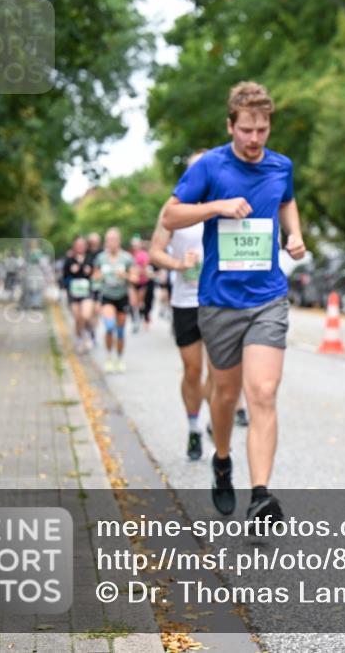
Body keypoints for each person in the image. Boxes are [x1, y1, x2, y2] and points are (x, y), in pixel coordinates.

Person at [161, 81, 307, 519]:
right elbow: (170, 214)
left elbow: (288, 202)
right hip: (220, 299)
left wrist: (295, 234)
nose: (254, 139)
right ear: (231, 125)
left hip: (267, 297)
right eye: (246, 129)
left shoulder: (281, 166)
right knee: (224, 395)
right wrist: (215, 207)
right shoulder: (209, 167)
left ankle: (261, 493)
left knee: (262, 391)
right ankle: (221, 461)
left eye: (262, 129)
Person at [150, 150, 214, 461]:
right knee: (193, 370)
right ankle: (194, 428)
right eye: (196, 168)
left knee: (221, 371)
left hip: (220, 300)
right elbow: (154, 252)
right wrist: (178, 264)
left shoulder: (225, 204)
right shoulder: (173, 209)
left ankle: (218, 417)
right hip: (185, 301)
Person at [92, 228, 138, 373]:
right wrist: (98, 278)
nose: (111, 242)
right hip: (107, 296)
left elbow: (135, 278)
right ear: (106, 242)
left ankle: (119, 359)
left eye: (114, 239)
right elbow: (95, 276)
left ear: (119, 241)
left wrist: (124, 275)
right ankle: (109, 357)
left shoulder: (127, 258)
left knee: (120, 331)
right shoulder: (100, 258)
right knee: (110, 326)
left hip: (122, 297)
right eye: (109, 240)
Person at [62, 236, 95, 353]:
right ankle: (81, 338)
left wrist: (90, 273)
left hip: (87, 292)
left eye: (82, 245)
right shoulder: (69, 260)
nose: (80, 247)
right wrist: (71, 274)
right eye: (78, 245)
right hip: (74, 293)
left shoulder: (90, 259)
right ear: (74, 246)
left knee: (86, 315)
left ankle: (90, 333)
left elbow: (96, 275)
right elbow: (63, 278)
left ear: (85, 246)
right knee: (77, 318)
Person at [128, 236, 152, 332]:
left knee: (140, 302)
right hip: (132, 282)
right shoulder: (130, 255)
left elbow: (146, 269)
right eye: (134, 244)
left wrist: (139, 271)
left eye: (137, 244)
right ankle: (135, 321)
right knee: (133, 302)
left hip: (142, 282)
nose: (135, 246)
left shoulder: (144, 255)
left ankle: (143, 317)